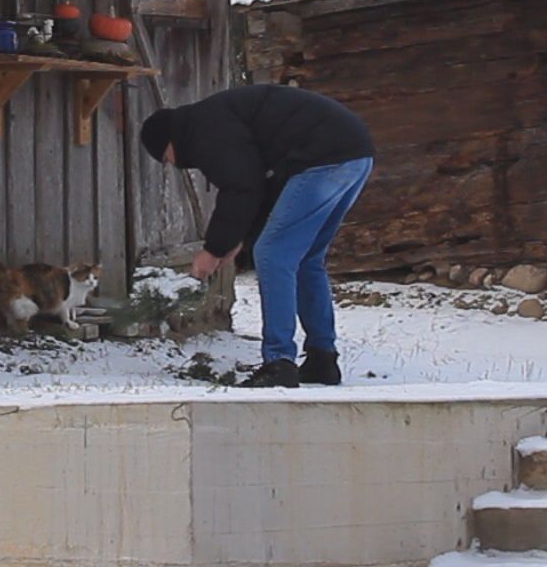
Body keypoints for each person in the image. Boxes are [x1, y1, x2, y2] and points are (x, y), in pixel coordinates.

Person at [140, 85, 374, 388]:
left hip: (324, 158)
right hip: (354, 153)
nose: (172, 164)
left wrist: (214, 249)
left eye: (165, 158)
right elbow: (262, 184)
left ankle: (279, 362)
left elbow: (242, 186)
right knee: (307, 259)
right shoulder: (214, 120)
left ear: (168, 142)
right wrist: (240, 237)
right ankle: (322, 360)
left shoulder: (204, 129)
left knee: (273, 254)